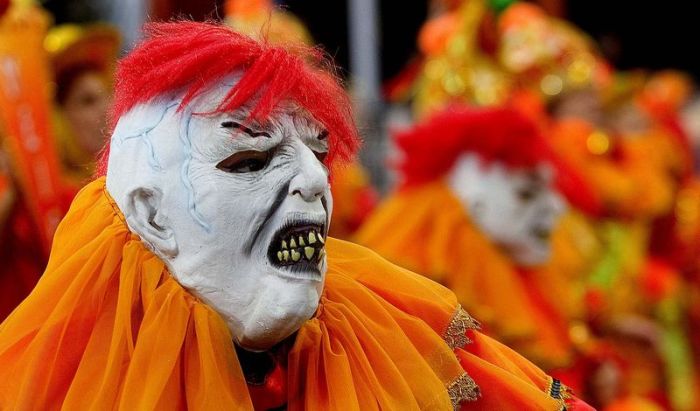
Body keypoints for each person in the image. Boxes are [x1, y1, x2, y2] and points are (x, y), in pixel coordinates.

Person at [0, 22, 591, 410]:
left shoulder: (384, 342)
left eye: (317, 153)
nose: (314, 180)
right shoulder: (76, 376)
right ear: (151, 215)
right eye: (251, 158)